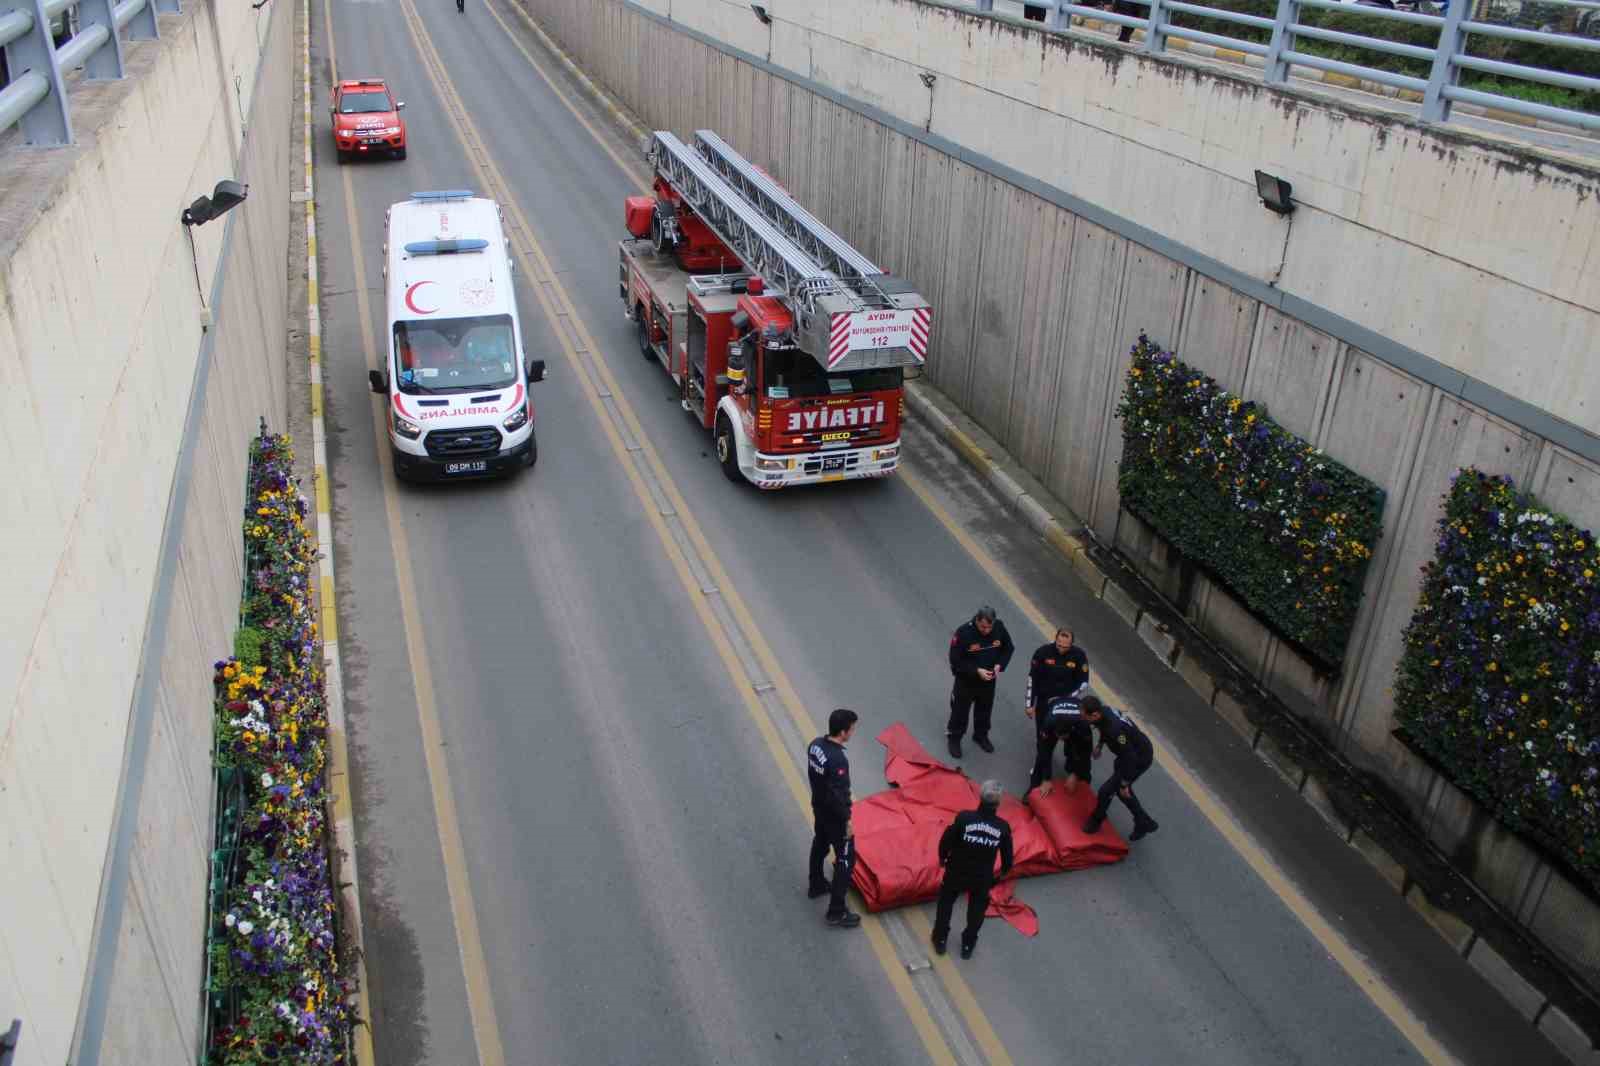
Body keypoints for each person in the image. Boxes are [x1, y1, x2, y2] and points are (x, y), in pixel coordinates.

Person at [932, 780, 1014, 960]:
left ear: (980, 797)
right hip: (981, 878)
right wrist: (996, 879)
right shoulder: (1002, 828)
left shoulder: (964, 818)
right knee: (976, 911)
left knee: (946, 902)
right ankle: (968, 944)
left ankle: (940, 938)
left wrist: (942, 858)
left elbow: (947, 840)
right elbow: (1008, 861)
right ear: (998, 803)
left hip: (956, 871)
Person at [808, 708, 861, 928]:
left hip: (819, 808)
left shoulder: (815, 745)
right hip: (834, 816)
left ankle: (817, 883)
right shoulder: (838, 759)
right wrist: (847, 820)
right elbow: (838, 795)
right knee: (846, 861)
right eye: (852, 728)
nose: (853, 732)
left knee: (820, 843)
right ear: (843, 732)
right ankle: (836, 912)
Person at [1080, 695, 1159, 840]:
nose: (1082, 718)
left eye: (1084, 715)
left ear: (1095, 714)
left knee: (1106, 791)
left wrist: (1124, 783)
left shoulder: (1114, 731)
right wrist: (1099, 745)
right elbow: (1103, 728)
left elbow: (1131, 758)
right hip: (1127, 754)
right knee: (1119, 791)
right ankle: (1144, 822)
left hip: (1138, 758)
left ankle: (1096, 820)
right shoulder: (1104, 712)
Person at [946, 606, 1014, 759]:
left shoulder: (999, 627)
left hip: (988, 679)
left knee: (984, 710)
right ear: (976, 620)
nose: (987, 630)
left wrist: (999, 665)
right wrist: (976, 670)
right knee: (960, 711)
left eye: (990, 627)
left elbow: (1008, 648)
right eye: (983, 626)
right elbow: (955, 660)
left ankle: (980, 735)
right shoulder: (963, 633)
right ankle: (954, 737)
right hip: (966, 680)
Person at [1031, 693, 1094, 796]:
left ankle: (1083, 785)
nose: (1060, 740)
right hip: (1055, 707)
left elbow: (1086, 751)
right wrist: (1047, 778)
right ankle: (1033, 787)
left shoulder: (1082, 724)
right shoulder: (1048, 723)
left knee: (1078, 758)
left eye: (1063, 738)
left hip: (1074, 718)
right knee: (1042, 755)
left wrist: (1075, 774)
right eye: (1059, 737)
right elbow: (1044, 749)